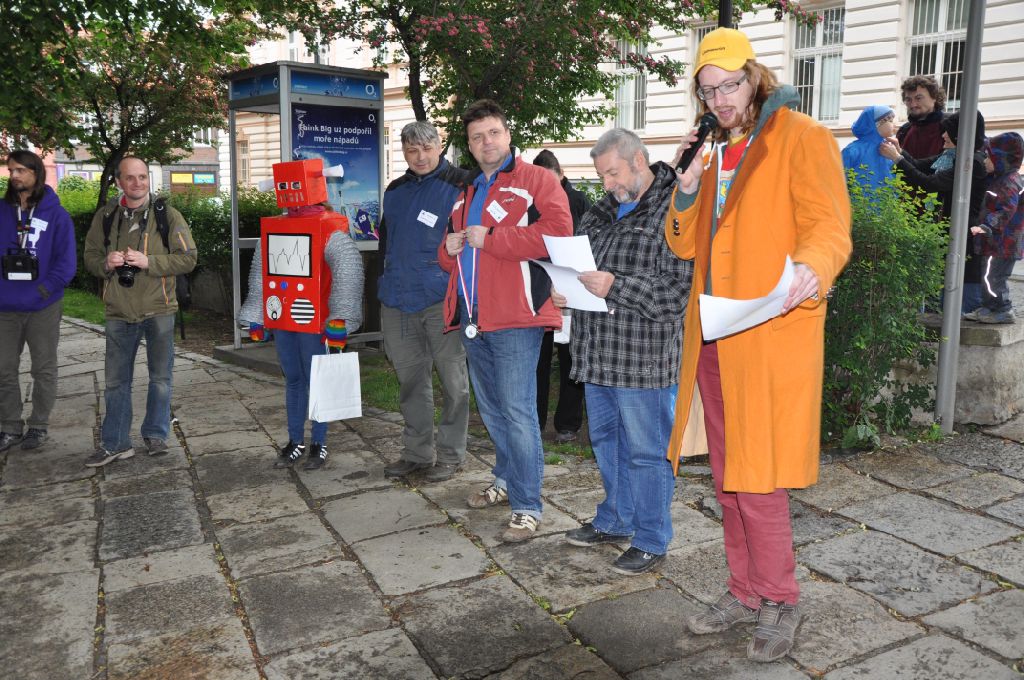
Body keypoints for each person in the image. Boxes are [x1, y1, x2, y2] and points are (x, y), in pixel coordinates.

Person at [666, 28, 851, 662]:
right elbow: (683, 245)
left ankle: (779, 598)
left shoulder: (801, 136)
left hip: (768, 334)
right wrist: (687, 187)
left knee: (760, 479)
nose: (720, 100)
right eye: (708, 91)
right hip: (715, 339)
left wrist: (812, 268)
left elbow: (829, 227)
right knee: (728, 479)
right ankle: (744, 592)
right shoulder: (716, 153)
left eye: (730, 86)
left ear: (755, 78)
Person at [557, 129, 692, 575]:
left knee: (647, 453)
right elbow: (582, 269)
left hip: (643, 360)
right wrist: (565, 289)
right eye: (601, 176)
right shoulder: (600, 211)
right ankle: (616, 519)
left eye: (613, 173)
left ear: (638, 161)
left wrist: (615, 285)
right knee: (607, 443)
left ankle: (652, 539)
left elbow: (676, 294)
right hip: (597, 353)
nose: (607, 184)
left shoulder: (674, 208)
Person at [439, 99, 572, 543]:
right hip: (473, 317)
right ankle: (505, 478)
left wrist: (493, 238)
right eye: (477, 137)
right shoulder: (467, 191)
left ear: (508, 135)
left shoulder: (537, 180)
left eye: (493, 133)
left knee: (517, 412)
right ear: (469, 145)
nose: (486, 142)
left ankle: (528, 506)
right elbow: (448, 256)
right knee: (494, 410)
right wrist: (448, 249)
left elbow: (558, 234)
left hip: (516, 317)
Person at [83, 156, 197, 466]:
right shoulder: (106, 216)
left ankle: (156, 434)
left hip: (159, 308)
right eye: (130, 177)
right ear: (119, 181)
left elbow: (188, 258)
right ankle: (116, 443)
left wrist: (149, 262)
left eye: (143, 176)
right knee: (115, 382)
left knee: (160, 378)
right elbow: (90, 257)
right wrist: (106, 263)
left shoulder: (167, 215)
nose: (138, 183)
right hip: (119, 310)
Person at [379, 121, 471, 482]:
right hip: (397, 300)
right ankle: (416, 453)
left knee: (454, 383)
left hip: (441, 300)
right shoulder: (395, 190)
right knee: (411, 382)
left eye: (426, 148)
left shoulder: (461, 184)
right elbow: (387, 243)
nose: (420, 157)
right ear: (404, 152)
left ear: (439, 146)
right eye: (411, 150)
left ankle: (450, 455)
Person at [271, 202, 364, 471]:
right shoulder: (279, 225)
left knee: (318, 381)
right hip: (285, 317)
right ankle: (295, 441)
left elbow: (347, 273)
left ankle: (318, 442)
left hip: (316, 319)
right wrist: (259, 312)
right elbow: (263, 270)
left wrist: (340, 317)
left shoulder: (330, 226)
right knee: (293, 379)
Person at [0, 150, 77, 452]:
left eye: (21, 170)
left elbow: (66, 264)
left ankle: (38, 426)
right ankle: (10, 426)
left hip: (43, 305)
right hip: (5, 307)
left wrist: (44, 290)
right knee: (4, 369)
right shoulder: (2, 212)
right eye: (11, 170)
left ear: (36, 173)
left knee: (43, 369)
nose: (14, 176)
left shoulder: (57, 216)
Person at [881, 111, 989, 313]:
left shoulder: (970, 162)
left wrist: (897, 159)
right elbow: (921, 165)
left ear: (961, 135)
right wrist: (900, 151)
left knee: (960, 293)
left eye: (948, 132)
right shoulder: (950, 156)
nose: (943, 135)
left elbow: (929, 183)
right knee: (942, 288)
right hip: (947, 232)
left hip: (963, 235)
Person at [532, 149, 590, 443]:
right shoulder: (531, 203)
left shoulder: (579, 201)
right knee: (538, 360)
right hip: (541, 288)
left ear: (561, 175)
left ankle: (568, 423)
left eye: (550, 180)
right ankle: (536, 420)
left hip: (572, 288)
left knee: (571, 359)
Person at [965, 132, 1023, 324]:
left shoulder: (1007, 183)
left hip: (1003, 243)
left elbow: (1006, 209)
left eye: (988, 157)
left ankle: (1003, 309)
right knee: (987, 275)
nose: (984, 160)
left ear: (1001, 159)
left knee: (994, 278)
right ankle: (989, 306)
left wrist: (986, 226)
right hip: (996, 243)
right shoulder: (999, 179)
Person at [841, 106, 897, 194]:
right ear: (876, 124)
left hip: (887, 202)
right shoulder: (853, 151)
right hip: (858, 202)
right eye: (890, 121)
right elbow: (840, 180)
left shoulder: (888, 150)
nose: (894, 125)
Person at [896, 75, 946, 160]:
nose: (913, 104)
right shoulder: (903, 131)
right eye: (908, 99)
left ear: (935, 97)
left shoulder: (948, 128)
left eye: (918, 98)